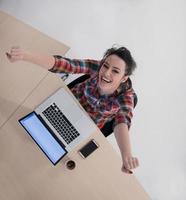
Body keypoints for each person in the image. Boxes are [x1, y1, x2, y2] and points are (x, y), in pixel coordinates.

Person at [6, 45, 139, 174]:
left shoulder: (126, 96)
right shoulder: (97, 67)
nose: (106, 73)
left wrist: (126, 157)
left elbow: (122, 122)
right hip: (62, 105)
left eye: (115, 71)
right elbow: (64, 64)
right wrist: (25, 56)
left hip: (82, 126)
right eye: (105, 65)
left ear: (124, 78)